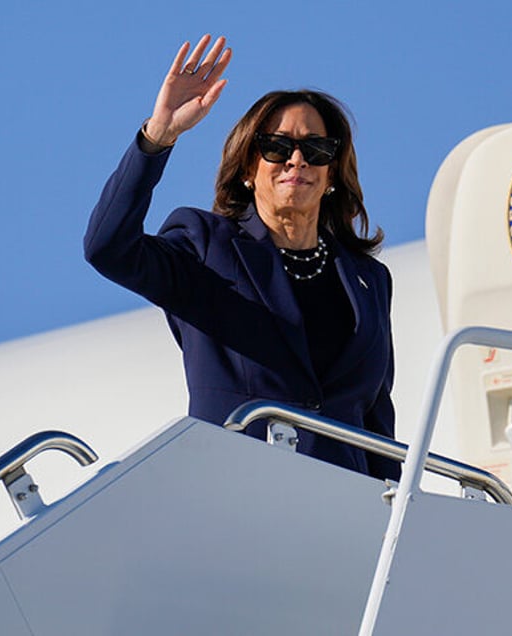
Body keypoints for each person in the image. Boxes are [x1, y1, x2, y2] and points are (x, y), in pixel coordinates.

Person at [84, 35, 399, 481]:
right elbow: (107, 248)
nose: (296, 160)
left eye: (315, 149)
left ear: (331, 172)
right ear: (249, 169)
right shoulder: (205, 247)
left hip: (345, 518)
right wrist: (158, 136)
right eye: (277, 147)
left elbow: (376, 425)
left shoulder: (369, 280)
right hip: (237, 502)